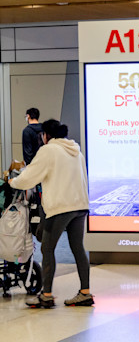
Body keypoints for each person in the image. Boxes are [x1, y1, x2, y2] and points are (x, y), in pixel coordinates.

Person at [11, 120, 93, 308]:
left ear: (45, 135)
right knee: (78, 248)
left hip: (60, 207)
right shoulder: (76, 151)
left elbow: (29, 177)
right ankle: (85, 293)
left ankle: (46, 295)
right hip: (80, 206)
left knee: (47, 249)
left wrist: (12, 183)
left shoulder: (49, 150)